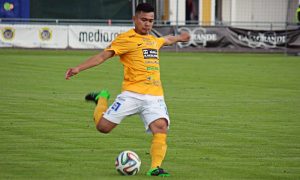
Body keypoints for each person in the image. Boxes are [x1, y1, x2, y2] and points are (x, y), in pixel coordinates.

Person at [65, 3, 190, 177]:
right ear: (134, 19)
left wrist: (181, 37)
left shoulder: (153, 40)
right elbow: (102, 56)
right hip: (131, 94)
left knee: (160, 127)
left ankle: (155, 167)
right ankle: (102, 98)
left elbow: (167, 40)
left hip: (154, 95)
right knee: (103, 127)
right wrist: (79, 68)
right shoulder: (125, 39)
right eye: (143, 20)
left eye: (151, 21)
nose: (147, 24)